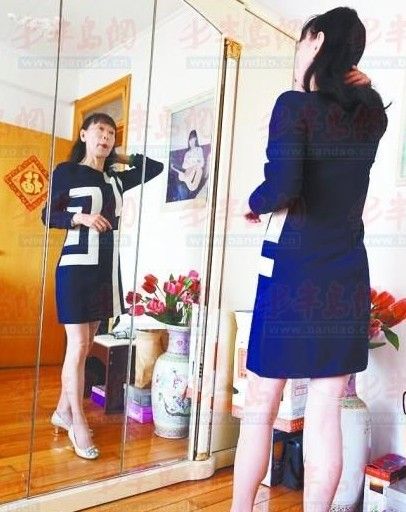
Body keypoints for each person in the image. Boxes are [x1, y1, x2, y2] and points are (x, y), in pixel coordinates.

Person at [231, 7, 389, 512]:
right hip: (345, 272)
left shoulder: (293, 105)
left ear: (316, 40)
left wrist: (251, 203)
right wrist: (362, 85)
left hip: (292, 273)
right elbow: (359, 108)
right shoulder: (373, 115)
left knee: (261, 405)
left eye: (302, 42)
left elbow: (283, 186)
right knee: (325, 412)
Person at [41, 112, 163, 460]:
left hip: (106, 272)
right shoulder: (67, 172)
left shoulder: (115, 179)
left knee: (85, 345)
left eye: (111, 133)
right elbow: (48, 214)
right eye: (99, 131)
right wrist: (80, 217)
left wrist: (117, 156)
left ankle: (62, 410)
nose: (106, 137)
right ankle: (77, 421)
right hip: (75, 267)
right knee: (78, 345)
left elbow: (154, 168)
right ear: (83, 134)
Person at [170, 129, 205, 198]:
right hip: (187, 176)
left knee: (185, 186)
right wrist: (175, 168)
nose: (191, 142)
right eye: (190, 140)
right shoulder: (187, 153)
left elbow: (202, 163)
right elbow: (184, 166)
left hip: (195, 174)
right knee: (180, 181)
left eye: (193, 140)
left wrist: (192, 165)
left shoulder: (199, 149)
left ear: (196, 140)